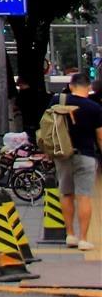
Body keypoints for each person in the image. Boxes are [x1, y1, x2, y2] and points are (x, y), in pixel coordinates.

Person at [51, 72, 102, 251]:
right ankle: (84, 239)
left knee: (66, 193)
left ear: (71, 86)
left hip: (63, 153)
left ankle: (70, 235)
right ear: (88, 87)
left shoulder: (57, 101)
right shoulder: (94, 108)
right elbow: (100, 136)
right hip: (86, 154)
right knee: (84, 196)